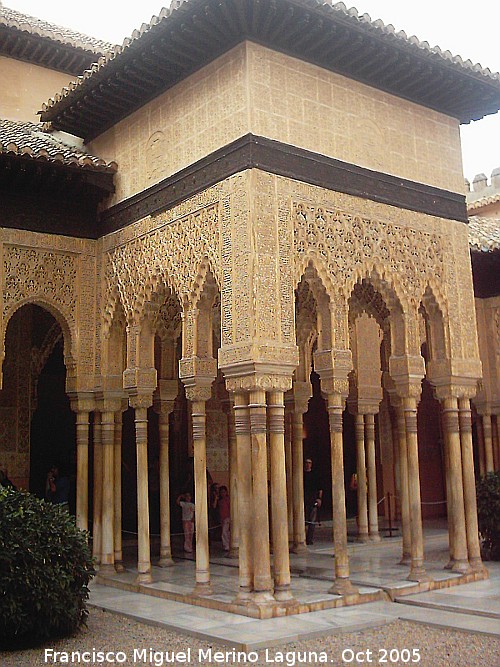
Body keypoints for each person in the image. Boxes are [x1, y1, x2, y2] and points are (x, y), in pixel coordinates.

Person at [303, 458, 323, 545]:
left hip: (312, 500)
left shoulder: (315, 475)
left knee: (312, 520)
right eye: (306, 463)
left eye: (309, 463)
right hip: (303, 500)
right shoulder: (301, 474)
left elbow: (320, 488)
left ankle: (309, 539)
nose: (308, 464)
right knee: (303, 519)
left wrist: (319, 498)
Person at [217, 485, 231, 552]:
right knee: (225, 532)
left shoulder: (228, 500)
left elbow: (230, 508)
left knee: (225, 532)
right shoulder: (220, 501)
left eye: (224, 492)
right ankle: (226, 545)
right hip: (223, 518)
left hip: (227, 518)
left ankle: (227, 545)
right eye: (221, 492)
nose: (223, 494)